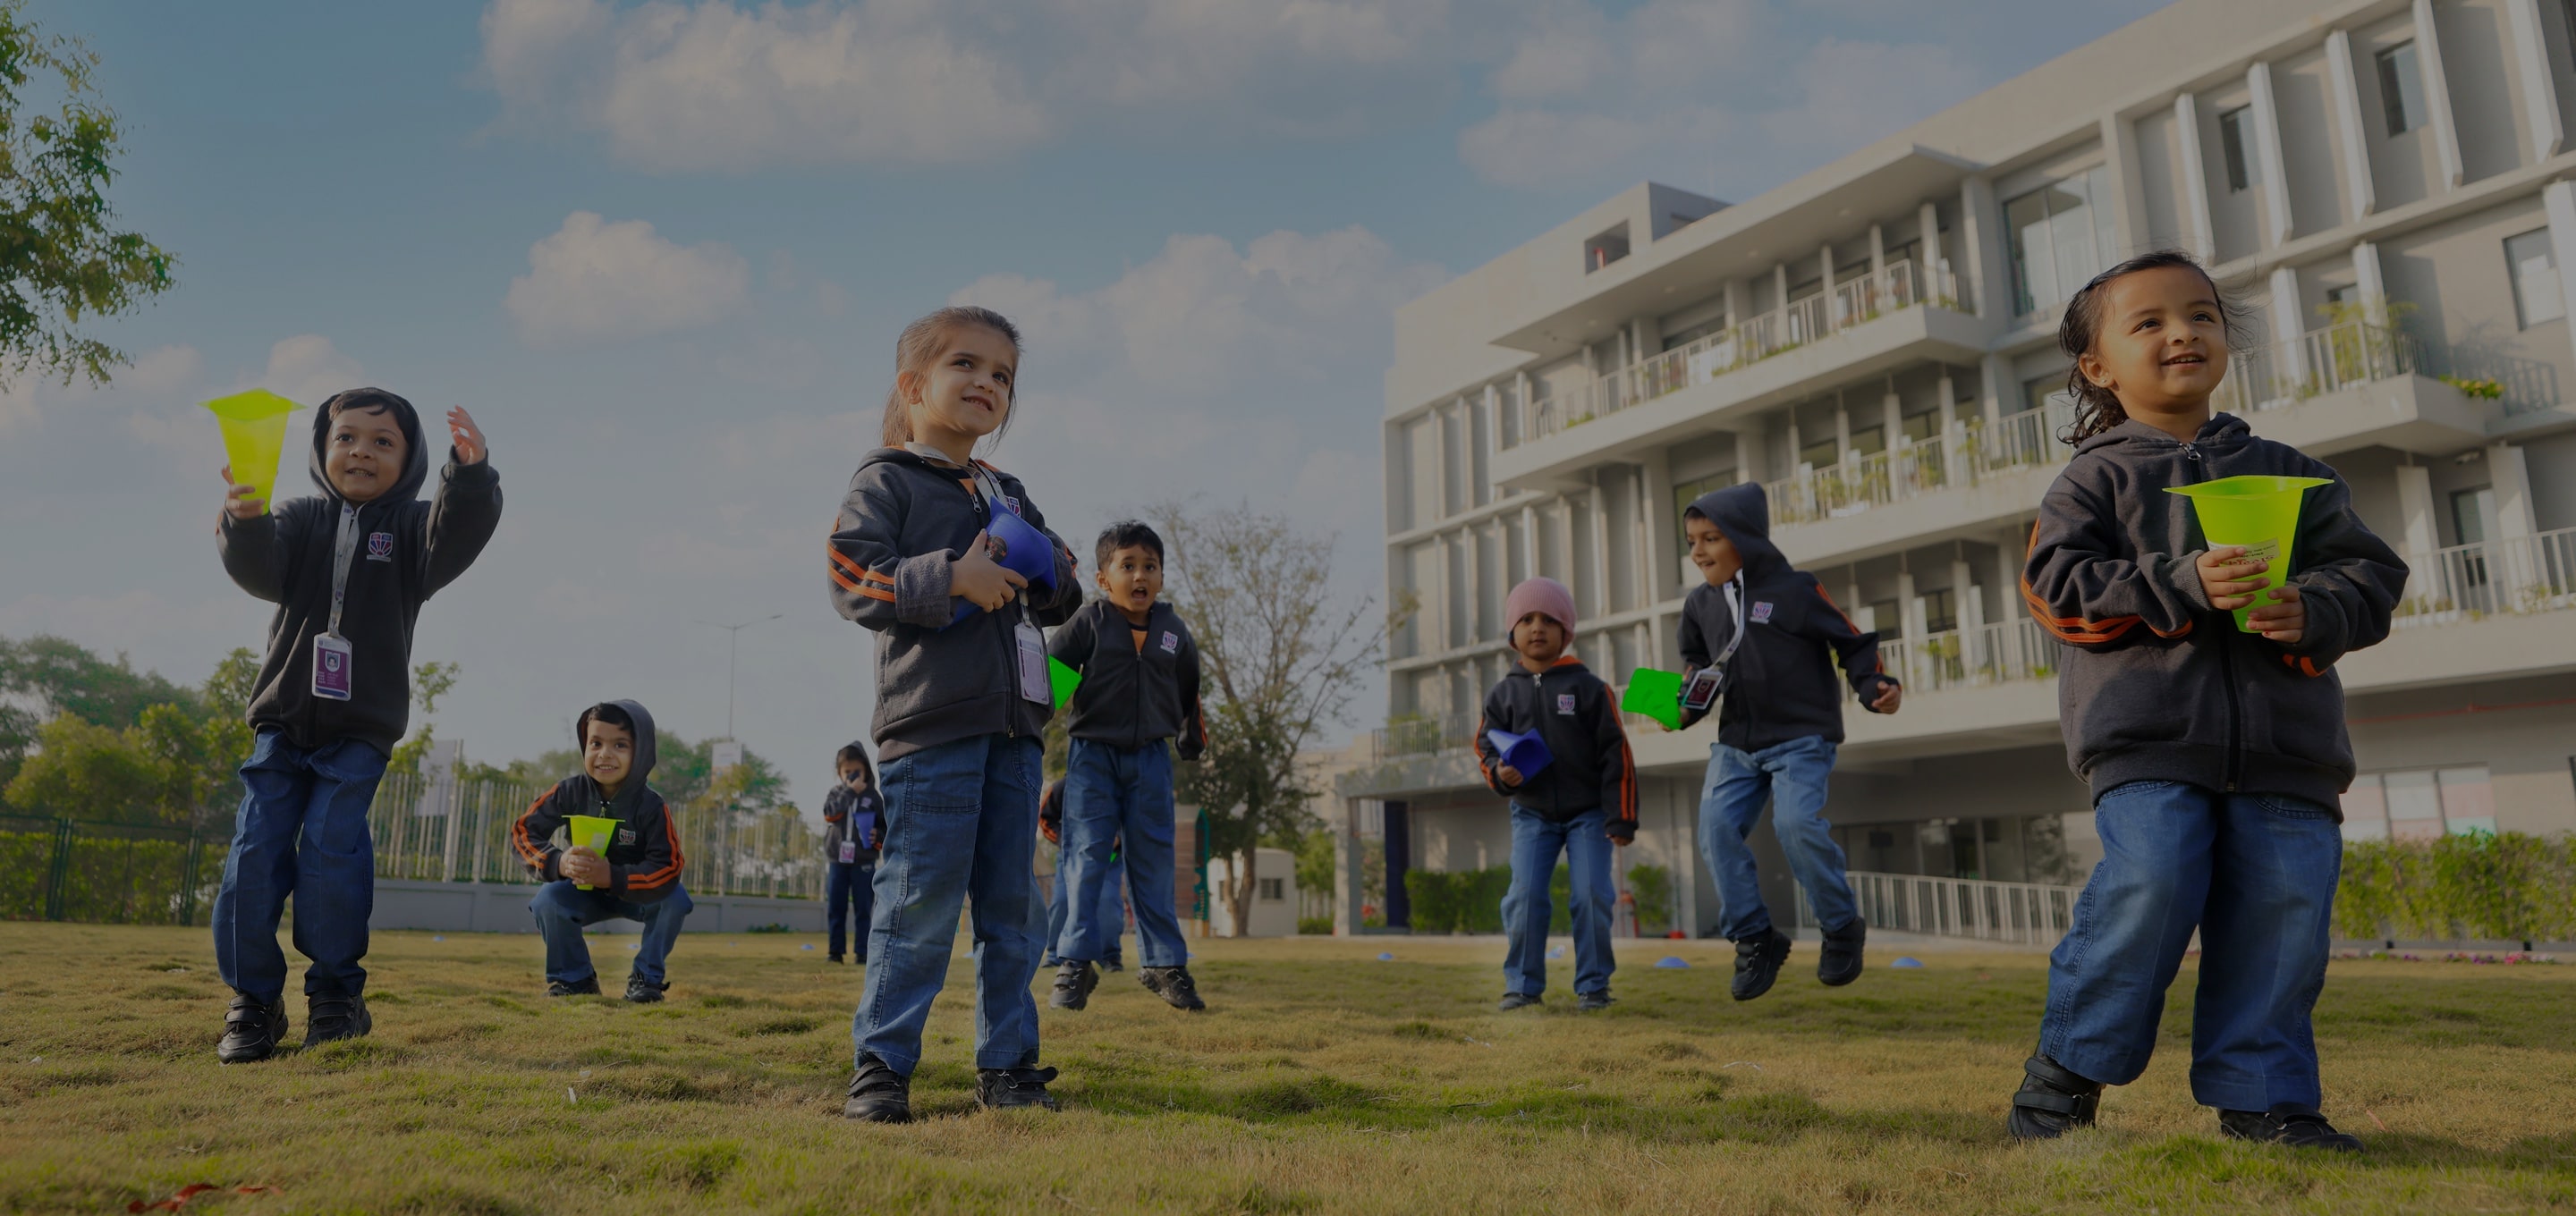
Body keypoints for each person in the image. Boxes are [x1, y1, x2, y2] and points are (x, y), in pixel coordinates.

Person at [2005, 251, 2404, 1151]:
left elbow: (2370, 575)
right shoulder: (2091, 480)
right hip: (2148, 739)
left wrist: (2315, 608)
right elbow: (2054, 588)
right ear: (2097, 367)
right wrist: (2180, 580)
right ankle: (2064, 1076)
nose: (2180, 332)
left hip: (2289, 748)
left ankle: (2266, 1101)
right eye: (2147, 322)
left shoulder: (2290, 470)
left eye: (2200, 315)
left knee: (2283, 912)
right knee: (2150, 879)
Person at [826, 305, 1082, 1122]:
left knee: (1014, 910)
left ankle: (1008, 1067)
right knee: (919, 901)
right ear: (913, 386)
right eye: (966, 365)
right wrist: (950, 577)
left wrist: (1048, 569)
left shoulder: (1009, 490)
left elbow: (1066, 583)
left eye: (1002, 375)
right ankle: (883, 1066)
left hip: (1015, 735)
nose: (987, 383)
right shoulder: (887, 480)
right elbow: (850, 576)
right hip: (931, 727)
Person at [208, 389, 500, 1062]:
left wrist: (472, 472)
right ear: (321, 448)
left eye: (382, 441)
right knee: (253, 855)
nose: (361, 451)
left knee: (331, 855)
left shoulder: (412, 531)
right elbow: (262, 572)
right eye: (346, 438)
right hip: (282, 722)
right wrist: (244, 520)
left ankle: (337, 997)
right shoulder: (301, 517)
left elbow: (458, 532)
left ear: (411, 457)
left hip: (360, 730)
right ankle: (252, 1002)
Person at [1675, 481, 1900, 1002]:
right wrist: (1680, 710)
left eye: (1711, 538)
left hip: (1801, 738)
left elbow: (1854, 641)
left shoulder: (1795, 591)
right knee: (1714, 831)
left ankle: (1841, 925)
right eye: (1692, 541)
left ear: (1745, 539)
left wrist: (1874, 688)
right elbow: (1696, 666)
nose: (1699, 551)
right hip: (1736, 742)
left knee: (1795, 825)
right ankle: (1755, 937)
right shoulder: (1699, 606)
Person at [1046, 521, 1208, 1012]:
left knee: (1154, 861)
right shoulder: (1087, 625)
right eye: (1128, 566)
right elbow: (1048, 686)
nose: (1140, 575)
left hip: (1152, 761)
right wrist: (1025, 733)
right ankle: (1075, 962)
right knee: (1084, 857)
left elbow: (1189, 689)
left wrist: (1191, 737)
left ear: (1160, 576)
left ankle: (1164, 963)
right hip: (1092, 759)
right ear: (1103, 578)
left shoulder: (1173, 633)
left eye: (1150, 566)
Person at [1471, 577, 1636, 1012]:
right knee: (1523, 898)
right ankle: (1522, 987)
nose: (1537, 627)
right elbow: (1485, 746)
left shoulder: (1589, 688)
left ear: (1567, 632)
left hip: (1590, 817)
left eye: (1549, 619)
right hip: (1532, 815)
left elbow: (1616, 753)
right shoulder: (1502, 694)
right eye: (1526, 619)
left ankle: (1594, 987)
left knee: (1591, 895)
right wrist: (1500, 775)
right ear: (1513, 634)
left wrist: (1620, 817)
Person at [510, 701, 691, 1001]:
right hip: (583, 890)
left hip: (635, 892)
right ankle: (574, 980)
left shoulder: (652, 807)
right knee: (548, 900)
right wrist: (559, 861)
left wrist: (613, 875)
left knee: (675, 898)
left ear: (641, 751)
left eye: (620, 744)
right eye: (596, 743)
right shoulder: (569, 792)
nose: (605, 754)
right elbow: (523, 832)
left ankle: (646, 980)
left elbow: (669, 865)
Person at [1038, 779, 1125, 973]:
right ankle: (1055, 954)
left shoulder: (1118, 783)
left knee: (1108, 902)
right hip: (1071, 857)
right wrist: (1065, 841)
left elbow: (1134, 817)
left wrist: (1119, 837)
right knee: (1062, 901)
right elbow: (1045, 819)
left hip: (1108, 859)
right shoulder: (1062, 787)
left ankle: (1110, 957)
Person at [820, 741, 884, 965]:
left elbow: (886, 827)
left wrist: (879, 836)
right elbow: (830, 815)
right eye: (847, 772)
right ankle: (835, 952)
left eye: (857, 771)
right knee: (835, 907)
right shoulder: (837, 793)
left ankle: (863, 953)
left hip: (863, 861)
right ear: (839, 773)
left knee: (863, 909)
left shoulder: (874, 797)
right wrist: (849, 792)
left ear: (866, 769)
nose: (852, 776)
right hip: (837, 859)